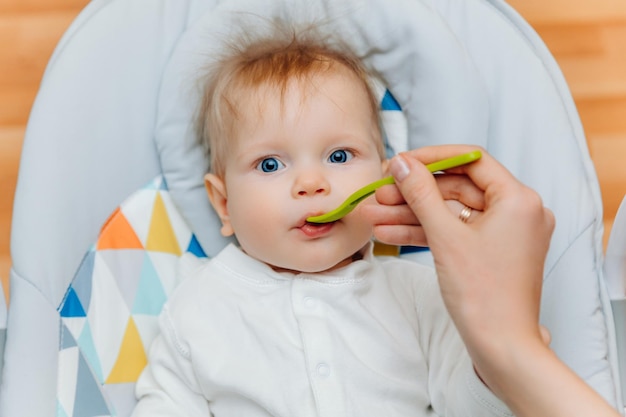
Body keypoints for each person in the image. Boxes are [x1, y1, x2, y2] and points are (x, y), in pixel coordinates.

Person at [132, 22, 514, 417]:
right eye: (270, 164)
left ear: (386, 182)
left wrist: (496, 363)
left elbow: (475, 408)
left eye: (339, 157)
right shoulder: (198, 308)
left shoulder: (421, 295)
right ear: (224, 203)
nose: (311, 183)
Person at [361, 146, 622, 417]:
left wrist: (493, 372)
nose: (311, 183)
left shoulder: (416, 290)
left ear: (385, 172)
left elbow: (467, 407)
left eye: (339, 157)